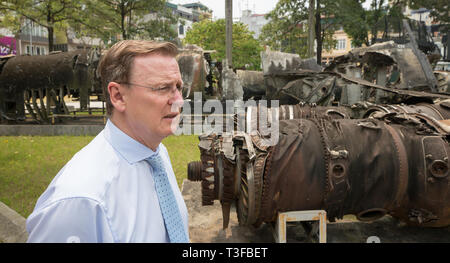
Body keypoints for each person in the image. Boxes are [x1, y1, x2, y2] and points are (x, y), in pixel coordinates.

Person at [26, 40, 189, 243]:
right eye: (163, 88)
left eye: (179, 87)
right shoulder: (81, 199)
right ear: (118, 96)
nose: (178, 101)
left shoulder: (157, 154)